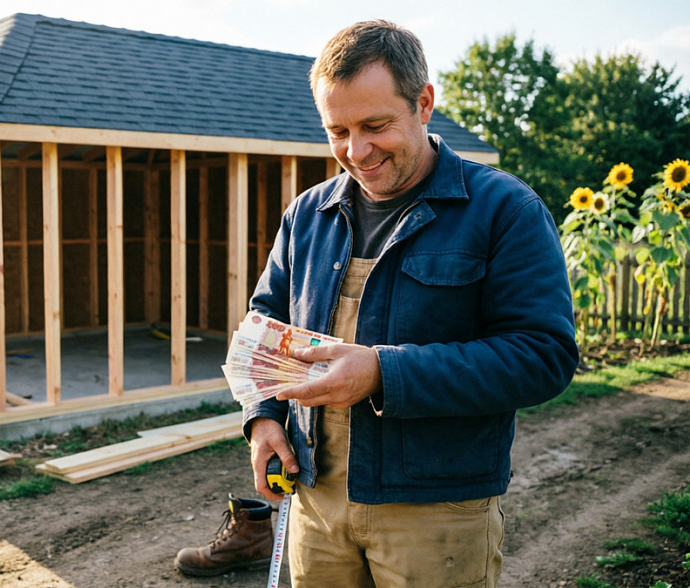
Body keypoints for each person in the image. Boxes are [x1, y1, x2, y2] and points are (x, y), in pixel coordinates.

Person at [243, 20, 580, 587]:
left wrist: (383, 372)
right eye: (338, 130)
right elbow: (263, 328)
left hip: (437, 511)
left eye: (375, 125)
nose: (357, 150)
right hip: (316, 502)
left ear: (424, 103)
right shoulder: (307, 215)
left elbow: (543, 356)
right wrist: (262, 419)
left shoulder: (503, 209)